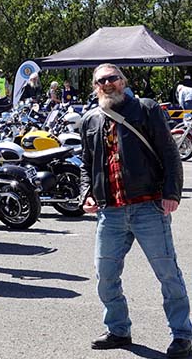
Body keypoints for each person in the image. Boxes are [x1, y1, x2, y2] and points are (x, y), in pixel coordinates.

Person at [81, 63, 192, 357]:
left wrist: (171, 193)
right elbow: (86, 164)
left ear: (123, 80)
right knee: (105, 275)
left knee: (168, 274)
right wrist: (86, 193)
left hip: (148, 206)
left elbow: (170, 153)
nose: (107, 83)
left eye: (112, 78)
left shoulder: (145, 109)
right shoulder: (91, 119)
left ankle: (182, 334)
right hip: (110, 211)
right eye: (101, 80)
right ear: (95, 86)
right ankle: (118, 329)